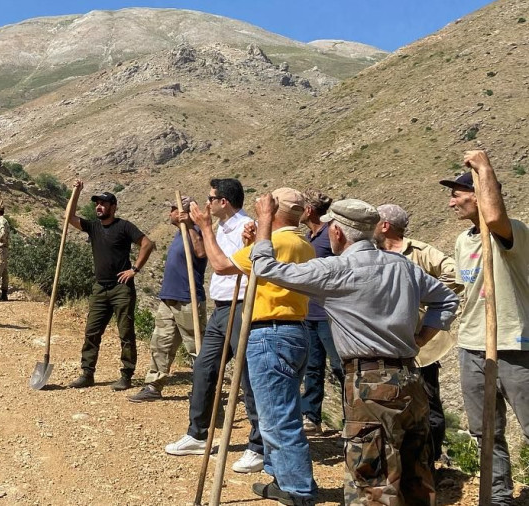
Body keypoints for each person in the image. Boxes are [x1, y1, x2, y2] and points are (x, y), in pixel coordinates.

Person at [250, 196, 459, 506]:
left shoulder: (336, 270)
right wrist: (420, 339)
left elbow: (265, 267)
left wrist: (264, 221)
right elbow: (448, 299)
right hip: (411, 381)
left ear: (337, 232)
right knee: (416, 480)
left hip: (370, 385)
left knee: (373, 483)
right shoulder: (402, 266)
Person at [195, 187, 316, 504]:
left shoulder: (278, 242)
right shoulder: (301, 243)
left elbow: (221, 265)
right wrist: (253, 243)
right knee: (273, 412)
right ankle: (281, 478)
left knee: (278, 417)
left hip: (270, 333)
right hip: (294, 331)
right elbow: (262, 271)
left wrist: (206, 227)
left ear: (273, 210)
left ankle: (298, 490)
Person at [444, 150, 529, 506]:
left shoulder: (513, 232)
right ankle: (497, 498)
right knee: (485, 430)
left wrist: (484, 167)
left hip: (513, 342)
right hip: (472, 344)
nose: (451, 203)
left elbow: (493, 216)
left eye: (457, 194)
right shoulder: (465, 241)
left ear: (479, 193)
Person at [165, 178, 264, 475]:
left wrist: (203, 226)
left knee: (246, 377)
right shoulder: (222, 227)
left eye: (211, 198)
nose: (207, 203)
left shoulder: (247, 227)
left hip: (241, 304)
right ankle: (197, 433)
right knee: (204, 368)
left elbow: (226, 265)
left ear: (224, 202)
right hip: (221, 309)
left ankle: (258, 446)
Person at [375, 202, 462, 472]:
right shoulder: (373, 254)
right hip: (386, 346)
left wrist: (420, 295)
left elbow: (454, 274)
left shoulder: (420, 252)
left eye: (375, 222)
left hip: (421, 347)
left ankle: (430, 463)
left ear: (385, 226)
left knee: (427, 405)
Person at [65, 183, 155, 391]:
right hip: (100, 288)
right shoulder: (93, 227)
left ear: (113, 206)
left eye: (103, 203)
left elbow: (147, 244)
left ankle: (126, 374)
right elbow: (69, 217)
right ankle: (87, 373)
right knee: (92, 331)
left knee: (125, 332)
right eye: (97, 203)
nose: (98, 206)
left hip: (121, 288)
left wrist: (135, 269)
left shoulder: (124, 226)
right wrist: (76, 192)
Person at [128, 196, 206, 403]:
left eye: (174, 209)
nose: (171, 212)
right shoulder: (178, 235)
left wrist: (190, 224)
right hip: (168, 298)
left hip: (188, 300)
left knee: (196, 348)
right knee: (160, 343)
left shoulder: (197, 231)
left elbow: (201, 252)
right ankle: (153, 385)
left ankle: (204, 390)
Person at [299, 189, 344, 435]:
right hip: (310, 313)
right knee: (312, 367)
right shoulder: (310, 236)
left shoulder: (329, 236)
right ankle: (311, 416)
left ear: (309, 210)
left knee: (339, 366)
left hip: (329, 314)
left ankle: (353, 419)